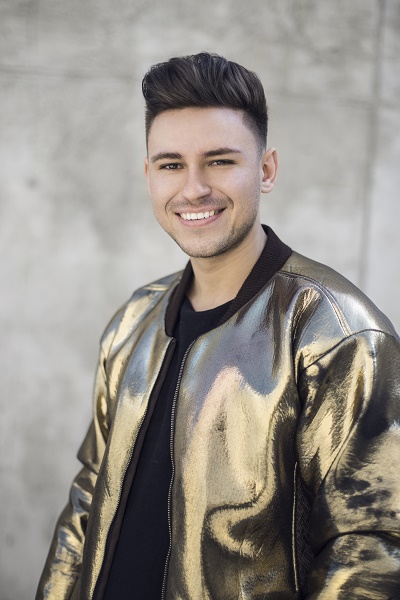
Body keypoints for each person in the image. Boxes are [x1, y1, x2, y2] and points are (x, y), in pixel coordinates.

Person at [36, 52, 400, 600]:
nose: (194, 189)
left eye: (220, 161)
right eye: (171, 165)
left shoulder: (336, 333)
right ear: (149, 175)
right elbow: (88, 499)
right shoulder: (134, 321)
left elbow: (370, 550)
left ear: (266, 170)